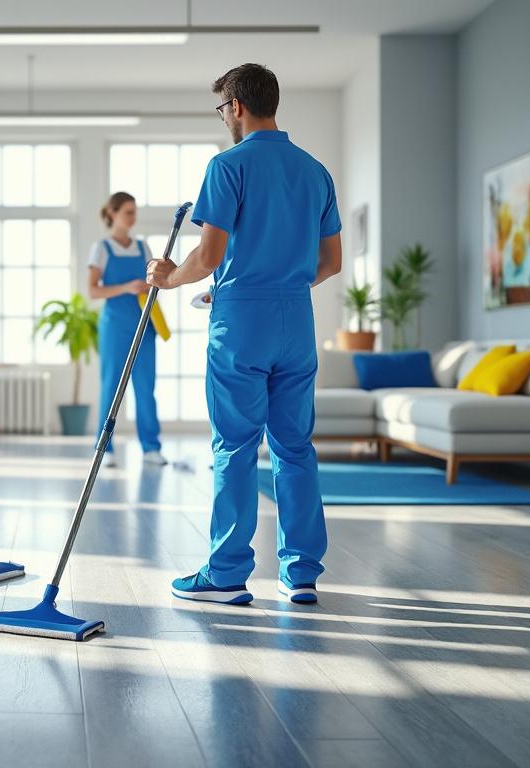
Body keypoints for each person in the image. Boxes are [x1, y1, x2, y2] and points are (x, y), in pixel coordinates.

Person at [147, 63, 342, 606]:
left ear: (235, 106)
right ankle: (300, 573)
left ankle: (227, 574)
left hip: (241, 326)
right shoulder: (315, 171)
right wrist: (278, 283)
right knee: (295, 446)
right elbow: (331, 261)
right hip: (296, 321)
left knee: (235, 445)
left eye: (222, 109)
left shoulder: (226, 165)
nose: (224, 118)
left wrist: (169, 277)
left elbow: (207, 256)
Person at [87, 192, 167, 468]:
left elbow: (151, 280)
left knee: (146, 388)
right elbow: (92, 290)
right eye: (128, 212)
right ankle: (104, 449)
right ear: (112, 213)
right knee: (110, 387)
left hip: (144, 326)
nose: (133, 218)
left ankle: (151, 447)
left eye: (135, 212)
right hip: (114, 328)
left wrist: (151, 283)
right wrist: (125, 287)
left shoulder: (143, 247)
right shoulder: (101, 248)